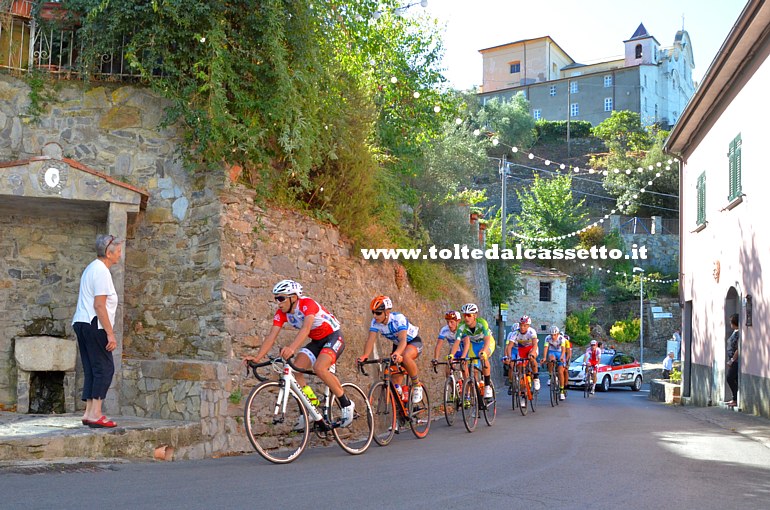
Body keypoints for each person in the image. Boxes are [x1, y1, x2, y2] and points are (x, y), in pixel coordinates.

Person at [244, 280, 354, 428]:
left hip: (333, 336)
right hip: (316, 341)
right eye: (276, 298)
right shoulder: (281, 313)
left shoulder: (307, 304)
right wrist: (257, 358)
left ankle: (346, 403)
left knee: (320, 368)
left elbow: (306, 329)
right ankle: (311, 405)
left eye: (281, 298)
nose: (278, 302)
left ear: (293, 297)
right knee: (296, 370)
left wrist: (292, 348)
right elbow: (272, 336)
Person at [72, 234, 122, 428]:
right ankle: (96, 414)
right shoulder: (101, 271)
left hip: (82, 322)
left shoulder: (91, 267)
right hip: (95, 324)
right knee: (105, 368)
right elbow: (99, 305)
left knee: (92, 368)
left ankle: (89, 412)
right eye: (118, 252)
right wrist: (110, 333)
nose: (119, 255)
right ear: (109, 253)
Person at [358, 295, 425, 404]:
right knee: (395, 378)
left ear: (387, 312)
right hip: (398, 345)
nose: (375, 316)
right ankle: (402, 403)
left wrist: (398, 353)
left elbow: (403, 339)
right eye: (373, 312)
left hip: (412, 341)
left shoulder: (398, 319)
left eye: (378, 313)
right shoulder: (375, 323)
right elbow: (370, 340)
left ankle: (417, 385)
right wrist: (365, 355)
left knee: (406, 357)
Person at [451, 303, 496, 399]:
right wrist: (452, 354)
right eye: (464, 315)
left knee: (483, 356)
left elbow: (487, 339)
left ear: (475, 315)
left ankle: (487, 386)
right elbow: (457, 342)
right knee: (474, 369)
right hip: (474, 345)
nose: (466, 318)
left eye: (469, 315)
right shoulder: (462, 326)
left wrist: (484, 350)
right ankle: (476, 392)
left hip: (486, 342)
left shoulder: (482, 323)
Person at [503, 315, 540, 404]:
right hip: (521, 349)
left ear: (528, 326)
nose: (522, 327)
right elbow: (509, 347)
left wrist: (532, 353)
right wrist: (509, 357)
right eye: (521, 325)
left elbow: (535, 345)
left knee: (532, 357)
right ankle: (523, 395)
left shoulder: (532, 331)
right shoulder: (515, 333)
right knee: (521, 371)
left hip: (531, 348)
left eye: (525, 325)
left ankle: (536, 378)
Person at [432, 310, 461, 377]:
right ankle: (450, 384)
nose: (449, 325)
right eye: (447, 322)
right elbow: (439, 345)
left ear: (458, 321)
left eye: (452, 322)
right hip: (454, 351)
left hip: (465, 350)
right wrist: (436, 359)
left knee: (465, 369)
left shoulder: (462, 329)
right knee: (448, 369)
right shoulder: (444, 330)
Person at [542, 326, 567, 401]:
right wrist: (544, 357)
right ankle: (550, 376)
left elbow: (563, 350)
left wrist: (562, 357)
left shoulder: (561, 338)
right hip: (552, 351)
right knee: (551, 359)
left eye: (555, 335)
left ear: (558, 334)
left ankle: (562, 391)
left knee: (560, 372)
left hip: (560, 352)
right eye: (551, 335)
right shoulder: (547, 338)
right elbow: (546, 348)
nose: (553, 336)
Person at [726, 314, 739, 407]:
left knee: (730, 378)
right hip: (732, 359)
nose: (730, 323)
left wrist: (732, 360)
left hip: (735, 360)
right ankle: (735, 398)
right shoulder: (735, 331)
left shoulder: (738, 333)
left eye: (731, 321)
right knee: (734, 379)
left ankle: (735, 399)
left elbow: (738, 348)